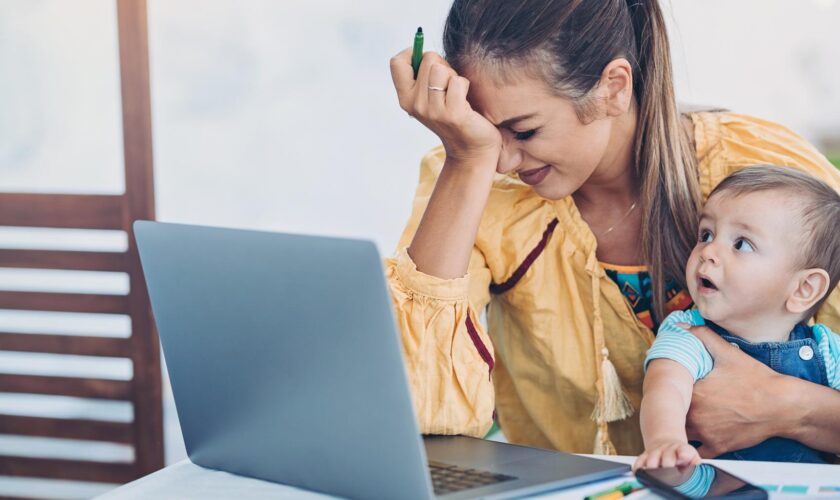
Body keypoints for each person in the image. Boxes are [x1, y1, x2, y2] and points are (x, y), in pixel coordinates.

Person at [386, 0, 840, 456]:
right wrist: (466, 160)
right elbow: (412, 412)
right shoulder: (474, 174)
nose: (502, 160)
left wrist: (787, 406)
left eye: (523, 132)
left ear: (614, 88)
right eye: (483, 128)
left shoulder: (767, 173)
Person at [634, 167, 840, 470]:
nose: (709, 252)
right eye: (706, 235)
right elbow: (665, 387)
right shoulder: (688, 334)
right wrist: (665, 440)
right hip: (717, 489)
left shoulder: (826, 349)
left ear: (803, 288)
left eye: (741, 243)